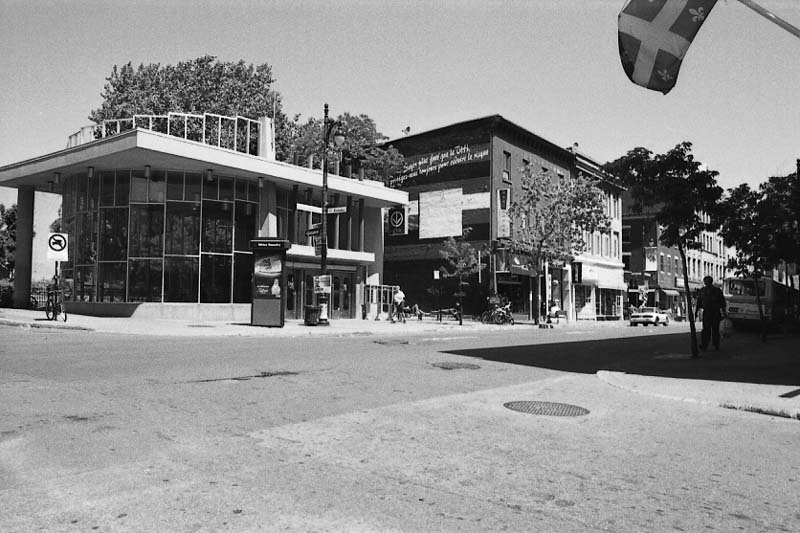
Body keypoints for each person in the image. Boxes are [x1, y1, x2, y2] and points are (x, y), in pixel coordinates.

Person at [695, 275, 727, 354]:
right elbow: (699, 303)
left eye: (707, 281)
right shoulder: (703, 291)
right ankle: (705, 344)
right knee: (706, 330)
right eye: (705, 281)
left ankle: (715, 344)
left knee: (714, 330)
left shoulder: (717, 291)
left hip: (715, 312)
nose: (706, 283)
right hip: (708, 312)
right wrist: (696, 312)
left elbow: (722, 303)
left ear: (710, 282)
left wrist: (724, 313)